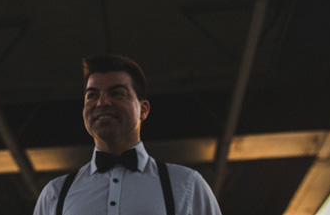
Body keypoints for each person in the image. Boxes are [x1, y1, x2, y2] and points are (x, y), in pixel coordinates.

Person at [34, 54, 221, 215]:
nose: (102, 103)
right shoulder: (55, 194)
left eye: (117, 93)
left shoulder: (186, 185)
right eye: (92, 95)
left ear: (143, 110)